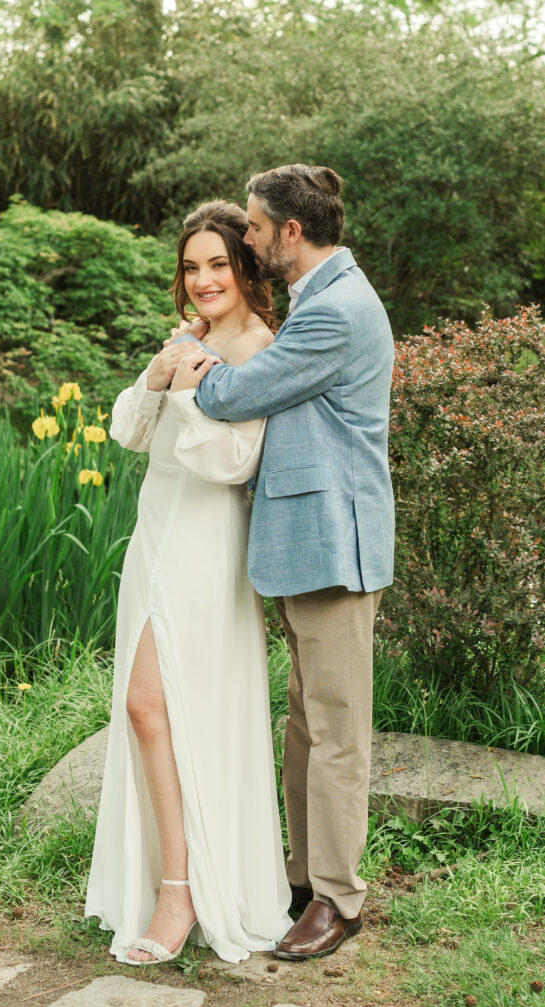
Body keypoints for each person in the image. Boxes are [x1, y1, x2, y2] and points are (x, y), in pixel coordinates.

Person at [193, 164, 395, 961]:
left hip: (333, 547)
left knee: (337, 730)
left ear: (290, 231)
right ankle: (306, 879)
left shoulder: (335, 312)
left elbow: (233, 396)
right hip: (304, 543)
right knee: (308, 724)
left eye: (251, 225)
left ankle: (339, 901)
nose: (244, 236)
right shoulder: (320, 297)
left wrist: (193, 361)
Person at [85, 200, 292, 965]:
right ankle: (169, 882)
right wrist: (158, 372)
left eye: (216, 264)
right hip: (156, 533)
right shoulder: (192, 337)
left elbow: (236, 465)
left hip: (206, 541)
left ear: (245, 267)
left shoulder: (262, 347)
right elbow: (128, 433)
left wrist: (182, 394)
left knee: (154, 706)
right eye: (190, 266)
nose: (201, 280)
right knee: (149, 712)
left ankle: (184, 890)